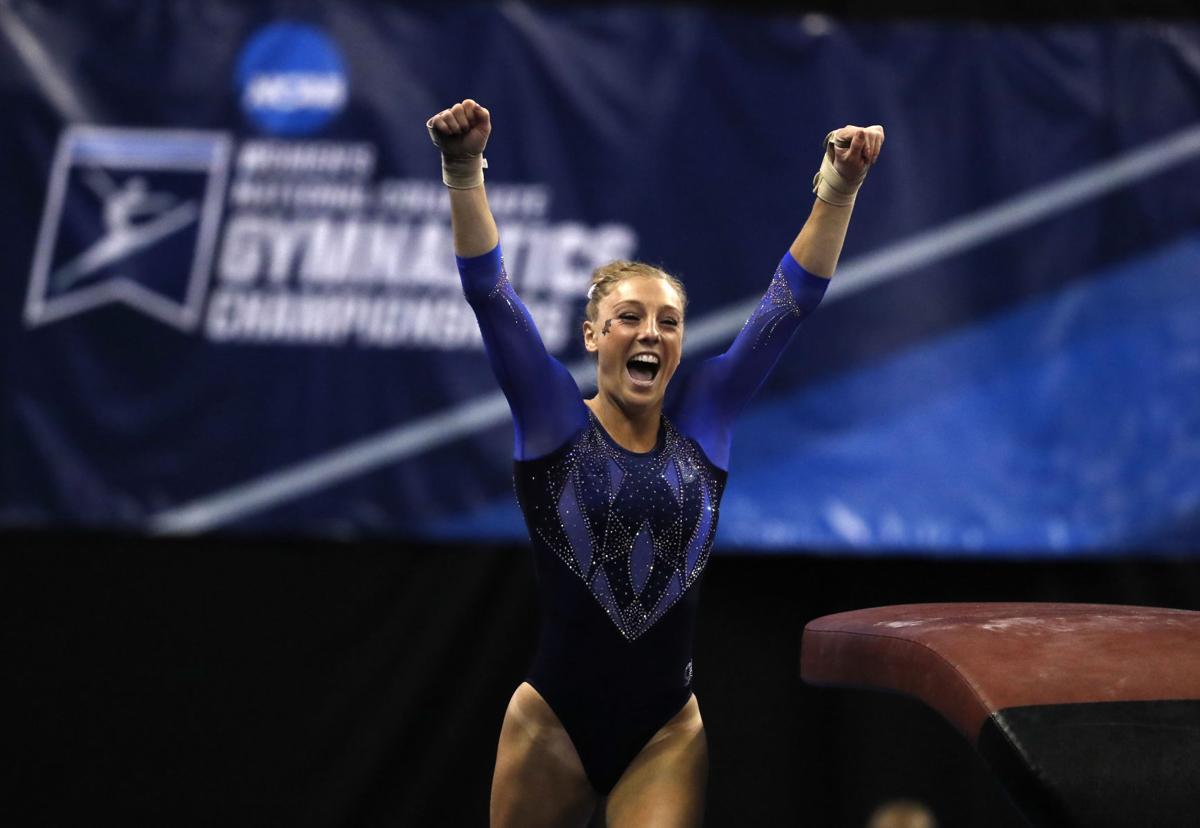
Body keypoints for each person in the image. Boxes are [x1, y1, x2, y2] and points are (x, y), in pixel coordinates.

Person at [428, 99, 883, 828]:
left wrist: (839, 187)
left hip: (666, 731)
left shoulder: (706, 417)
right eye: (630, 318)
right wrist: (462, 170)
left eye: (668, 321)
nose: (651, 333)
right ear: (593, 336)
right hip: (551, 725)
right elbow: (490, 294)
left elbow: (789, 303)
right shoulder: (552, 418)